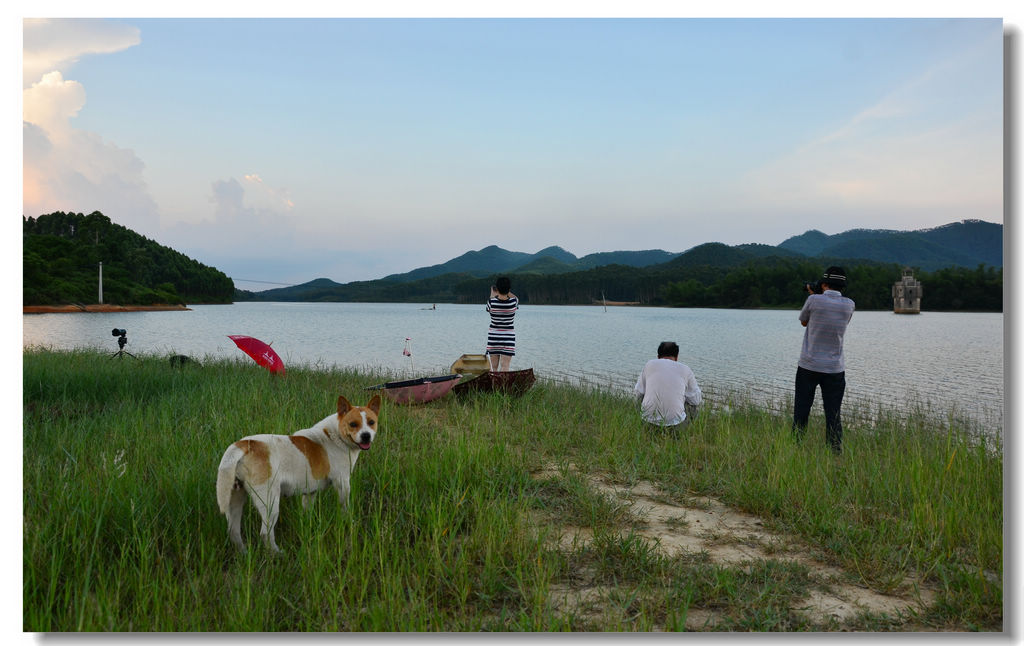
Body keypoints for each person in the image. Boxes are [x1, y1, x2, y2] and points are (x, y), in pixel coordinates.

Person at [793, 266, 855, 454]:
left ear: (824, 284)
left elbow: (804, 321)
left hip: (809, 365)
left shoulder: (813, 300)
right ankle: (835, 451)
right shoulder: (849, 305)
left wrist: (813, 294)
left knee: (802, 408)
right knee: (833, 412)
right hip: (835, 368)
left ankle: (796, 446)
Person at [634, 341, 702, 429]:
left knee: (642, 395)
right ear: (676, 357)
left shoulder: (649, 365)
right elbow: (696, 400)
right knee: (692, 404)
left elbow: (638, 392)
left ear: (658, 357)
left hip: (648, 420)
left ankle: (643, 427)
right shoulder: (685, 369)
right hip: (676, 423)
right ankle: (689, 430)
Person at [485, 276, 518, 371]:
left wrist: (493, 292)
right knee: (505, 366)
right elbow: (516, 297)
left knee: (494, 367)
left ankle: (494, 381)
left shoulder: (491, 302)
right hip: (508, 338)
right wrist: (506, 291)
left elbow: (490, 305)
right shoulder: (514, 302)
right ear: (509, 289)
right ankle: (503, 381)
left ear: (497, 288)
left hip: (494, 337)